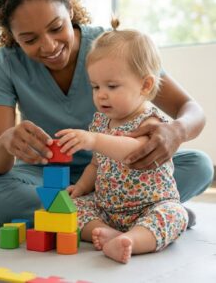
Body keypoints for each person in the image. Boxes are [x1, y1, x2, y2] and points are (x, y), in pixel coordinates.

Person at [0, 0, 213, 227]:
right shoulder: (5, 63)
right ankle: (140, 212)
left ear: (70, 11)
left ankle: (80, 214)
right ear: (12, 35)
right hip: (44, 176)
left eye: (56, 28)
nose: (49, 46)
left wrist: (177, 131)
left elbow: (191, 110)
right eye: (29, 39)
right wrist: (5, 142)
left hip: (119, 170)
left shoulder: (109, 46)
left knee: (199, 165)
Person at [55, 18, 188, 263]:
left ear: (145, 85)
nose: (101, 94)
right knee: (72, 211)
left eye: (112, 86)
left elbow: (134, 150)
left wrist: (94, 140)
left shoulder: (151, 120)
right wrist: (81, 188)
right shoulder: (101, 121)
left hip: (150, 205)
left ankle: (134, 241)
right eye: (95, 86)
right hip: (107, 209)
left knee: (175, 214)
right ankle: (107, 233)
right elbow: (96, 165)